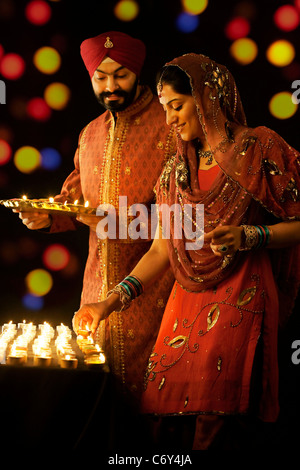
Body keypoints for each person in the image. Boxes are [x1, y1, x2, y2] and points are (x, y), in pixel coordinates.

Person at [73, 53, 300, 450]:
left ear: (208, 98)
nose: (170, 119)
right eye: (164, 109)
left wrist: (252, 236)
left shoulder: (258, 147)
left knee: (218, 422)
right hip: (186, 300)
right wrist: (106, 304)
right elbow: (162, 249)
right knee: (165, 422)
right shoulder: (177, 170)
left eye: (177, 106)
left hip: (242, 294)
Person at [13, 31, 175, 398]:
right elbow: (73, 203)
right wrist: (46, 217)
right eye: (100, 78)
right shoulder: (90, 135)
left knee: (154, 404)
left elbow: (188, 222)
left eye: (120, 75)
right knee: (101, 403)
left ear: (137, 71)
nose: (110, 86)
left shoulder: (171, 127)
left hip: (157, 292)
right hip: (95, 292)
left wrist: (112, 221)